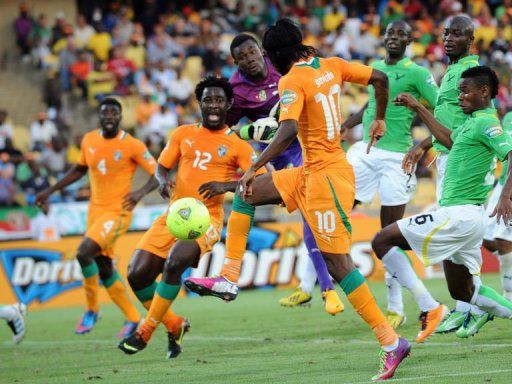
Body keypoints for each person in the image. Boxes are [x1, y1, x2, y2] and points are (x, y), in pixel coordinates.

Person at [194, 19, 408, 381]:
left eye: (268, 56)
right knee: (247, 191)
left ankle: (391, 344)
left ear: (278, 55)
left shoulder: (290, 79)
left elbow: (288, 128)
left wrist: (255, 164)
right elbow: (380, 80)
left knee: (338, 265)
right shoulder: (332, 65)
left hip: (327, 178)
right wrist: (379, 119)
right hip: (309, 171)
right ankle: (229, 276)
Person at [184, 33, 343, 315]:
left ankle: (326, 289)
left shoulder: (284, 67)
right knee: (248, 194)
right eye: (242, 57)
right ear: (235, 63)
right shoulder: (235, 88)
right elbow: (225, 129)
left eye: (252, 52)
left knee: (310, 213)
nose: (249, 59)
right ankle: (231, 276)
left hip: (303, 147)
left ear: (262, 52)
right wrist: (244, 134)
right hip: (273, 157)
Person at [118, 76, 265, 358]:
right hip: (174, 214)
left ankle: (145, 331)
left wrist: (226, 186)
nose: (213, 105)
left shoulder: (238, 145)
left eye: (219, 100)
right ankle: (175, 325)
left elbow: (260, 181)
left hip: (206, 219)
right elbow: (161, 167)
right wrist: (162, 181)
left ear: (229, 104)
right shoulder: (182, 133)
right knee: (137, 274)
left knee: (174, 262)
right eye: (208, 99)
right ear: (199, 103)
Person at [374, 66, 512, 346]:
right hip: (465, 217)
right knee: (463, 291)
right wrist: (418, 107)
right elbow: (447, 138)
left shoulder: (488, 123)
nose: (459, 97)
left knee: (382, 240)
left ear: (484, 92)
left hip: (459, 215)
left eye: (464, 91)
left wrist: (505, 195)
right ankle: (483, 308)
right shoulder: (471, 123)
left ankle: (428, 306)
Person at [341, 20, 439, 329]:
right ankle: (316, 281)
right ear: (384, 38)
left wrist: (424, 144)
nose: (394, 37)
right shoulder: (374, 67)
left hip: (398, 156)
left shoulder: (418, 74)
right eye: (390, 33)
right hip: (368, 152)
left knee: (388, 233)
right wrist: (349, 123)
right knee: (337, 205)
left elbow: (444, 112)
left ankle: (396, 306)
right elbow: (372, 105)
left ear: (410, 40)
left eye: (401, 33)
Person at [35, 97, 157, 338]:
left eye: (114, 112)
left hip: (118, 212)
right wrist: (50, 190)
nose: (109, 116)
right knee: (102, 266)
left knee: (83, 252)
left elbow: (158, 173)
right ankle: (133, 318)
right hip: (94, 212)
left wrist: (140, 192)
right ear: (99, 116)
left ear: (120, 117)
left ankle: (91, 309)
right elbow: (79, 169)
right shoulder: (90, 140)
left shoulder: (131, 144)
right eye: (105, 112)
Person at [402, 15, 491, 337]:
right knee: (457, 241)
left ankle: (477, 306)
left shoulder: (467, 74)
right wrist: (423, 145)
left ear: (471, 39)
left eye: (458, 33)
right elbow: (447, 124)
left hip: (461, 160)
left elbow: (457, 131)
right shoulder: (453, 71)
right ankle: (467, 307)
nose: (449, 38)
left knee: (457, 235)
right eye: (446, 32)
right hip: (449, 156)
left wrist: (424, 140)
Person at [482, 110, 512, 304]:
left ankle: (509, 295)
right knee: (485, 237)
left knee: (502, 238)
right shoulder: (508, 117)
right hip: (502, 183)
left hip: (509, 187)